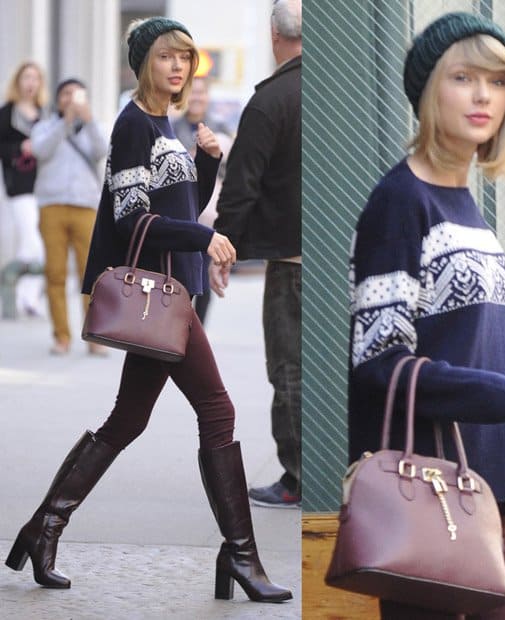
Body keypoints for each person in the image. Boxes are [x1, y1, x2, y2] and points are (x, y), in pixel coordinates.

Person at [5, 16, 291, 604]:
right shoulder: (133, 124)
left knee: (129, 420)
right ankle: (240, 556)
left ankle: (44, 529)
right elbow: (132, 217)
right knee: (216, 411)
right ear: (143, 64)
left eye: (185, 57)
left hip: (170, 294)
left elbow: (180, 200)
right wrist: (202, 239)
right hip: (158, 298)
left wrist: (207, 161)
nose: (179, 67)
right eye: (167, 57)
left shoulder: (166, 122)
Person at [347, 12, 505, 620]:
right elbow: (380, 361)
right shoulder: (400, 202)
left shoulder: (464, 201)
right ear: (429, 90)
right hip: (425, 492)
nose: (485, 96)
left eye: (500, 82)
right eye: (463, 77)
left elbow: (464, 344)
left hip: (480, 490)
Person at [210, 0, 302, 508]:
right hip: (344, 262)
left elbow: (242, 185)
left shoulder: (271, 100)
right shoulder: (341, 89)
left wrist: (224, 246)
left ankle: (297, 477)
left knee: (289, 369)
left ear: (273, 35)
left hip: (292, 266)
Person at [30, 78, 108, 355]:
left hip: (85, 205)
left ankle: (95, 335)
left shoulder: (92, 127)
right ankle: (61, 336)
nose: (71, 99)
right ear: (58, 98)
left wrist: (87, 121)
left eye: (76, 94)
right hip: (51, 205)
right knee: (55, 273)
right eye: (65, 94)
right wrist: (65, 123)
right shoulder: (45, 126)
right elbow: (41, 150)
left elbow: (102, 152)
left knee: (91, 273)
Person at [173, 76, 233, 324]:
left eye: (201, 93)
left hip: (209, 212)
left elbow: (231, 164)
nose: (197, 98)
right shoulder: (172, 127)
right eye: (192, 92)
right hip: (181, 211)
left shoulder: (219, 128)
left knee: (204, 277)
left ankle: (198, 330)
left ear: (208, 96)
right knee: (181, 276)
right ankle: (178, 328)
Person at [0, 61, 47, 316]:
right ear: (18, 81)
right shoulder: (7, 112)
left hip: (43, 184)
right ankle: (26, 297)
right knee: (34, 242)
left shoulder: (44, 112)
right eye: (26, 77)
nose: (30, 83)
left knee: (31, 243)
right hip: (18, 185)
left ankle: (26, 297)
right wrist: (20, 148)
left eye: (35, 78)